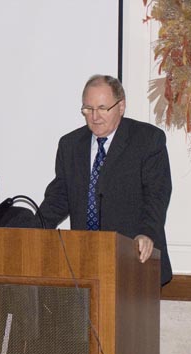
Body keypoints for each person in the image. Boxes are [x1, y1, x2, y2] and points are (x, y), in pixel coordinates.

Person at [39, 74, 172, 285]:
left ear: (121, 106)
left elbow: (156, 195)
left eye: (102, 108)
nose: (95, 116)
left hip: (133, 260)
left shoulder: (147, 140)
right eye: (88, 109)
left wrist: (146, 234)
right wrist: (32, 228)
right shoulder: (70, 144)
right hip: (84, 263)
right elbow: (59, 197)